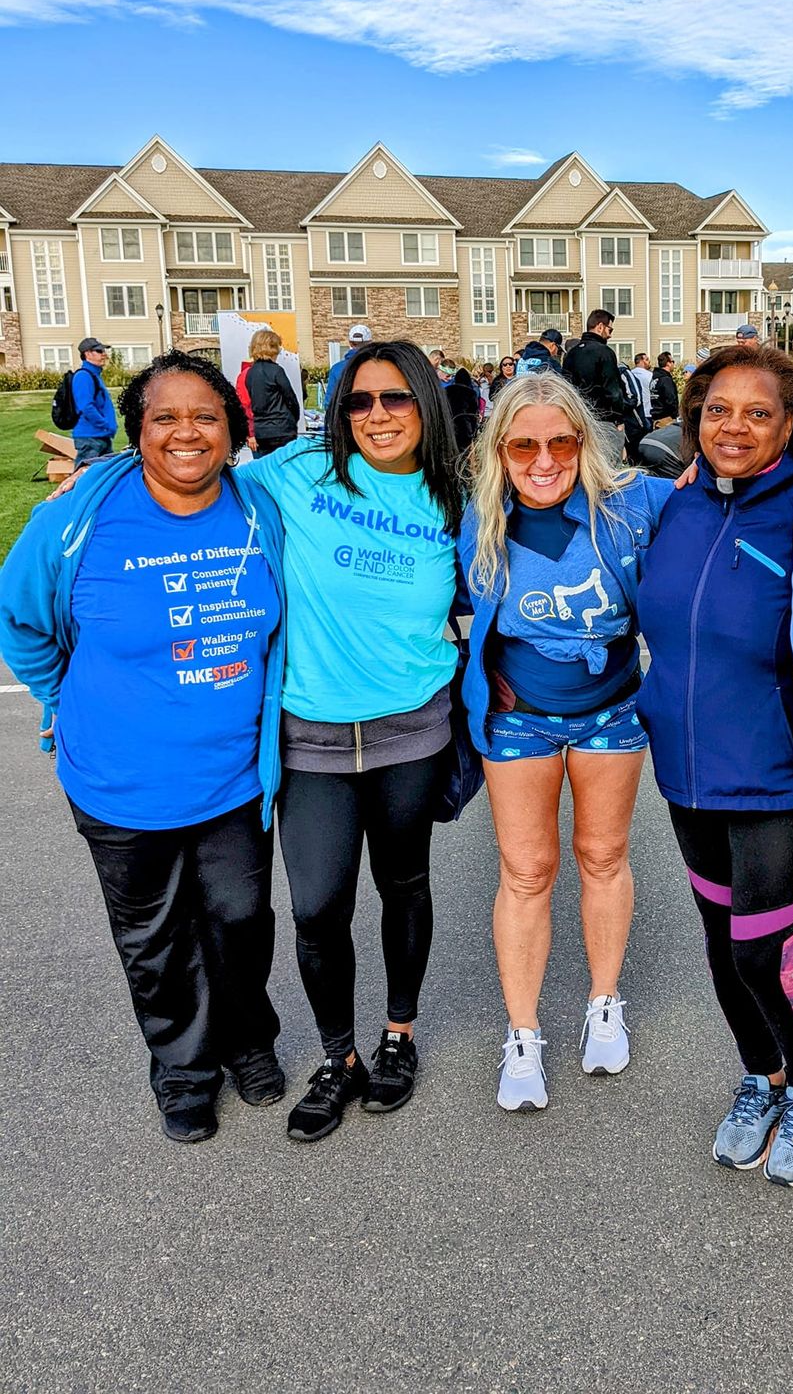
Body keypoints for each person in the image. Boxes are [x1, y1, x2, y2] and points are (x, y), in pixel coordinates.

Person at [0, 351, 287, 1144]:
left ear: (233, 429)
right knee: (156, 941)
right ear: (138, 433)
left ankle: (246, 1041)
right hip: (118, 781)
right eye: (166, 417)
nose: (187, 433)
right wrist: (63, 703)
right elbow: (22, 622)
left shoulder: (259, 507)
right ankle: (184, 1070)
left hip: (234, 777)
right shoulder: (76, 520)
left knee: (239, 918)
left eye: (206, 416)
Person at [238, 341, 466, 1142]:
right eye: (361, 401)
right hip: (312, 739)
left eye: (397, 399)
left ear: (425, 406)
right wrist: (87, 492)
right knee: (317, 908)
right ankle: (338, 1058)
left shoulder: (456, 496)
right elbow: (187, 478)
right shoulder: (299, 471)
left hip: (414, 731)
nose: (378, 415)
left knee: (405, 885)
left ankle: (397, 1035)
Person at [638, 346, 793, 1188]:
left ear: (790, 427)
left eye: (759, 413)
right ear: (693, 420)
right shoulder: (672, 504)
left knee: (767, 952)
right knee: (723, 948)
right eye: (718, 410)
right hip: (686, 772)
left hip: (780, 774)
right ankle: (764, 1075)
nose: (734, 427)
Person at [458, 374, 671, 1112]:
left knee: (604, 855)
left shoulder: (635, 505)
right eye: (523, 445)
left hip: (612, 710)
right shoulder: (478, 520)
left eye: (560, 441)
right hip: (519, 718)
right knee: (527, 870)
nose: (543, 460)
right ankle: (523, 1037)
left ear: (584, 442)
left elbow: (723, 500)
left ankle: (603, 1001)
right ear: (500, 451)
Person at [562, 308, 628, 465]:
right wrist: (619, 419)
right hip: (604, 420)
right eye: (609, 329)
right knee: (610, 466)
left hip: (578, 419)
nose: (610, 334)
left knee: (585, 465)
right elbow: (613, 389)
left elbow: (565, 387)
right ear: (600, 326)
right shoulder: (604, 352)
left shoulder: (572, 354)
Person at [244, 328, 301, 455]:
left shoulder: (250, 373)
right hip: (282, 428)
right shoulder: (276, 371)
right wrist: (293, 419)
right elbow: (290, 398)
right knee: (285, 466)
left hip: (261, 429)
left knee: (266, 468)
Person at [71, 337, 118, 462]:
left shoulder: (94, 375)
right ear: (87, 354)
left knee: (104, 477)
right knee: (83, 476)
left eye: (103, 351)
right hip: (90, 437)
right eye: (99, 351)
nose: (104, 355)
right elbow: (86, 406)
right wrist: (104, 424)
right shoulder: (83, 376)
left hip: (100, 435)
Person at [324, 324, 371, 405]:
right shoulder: (378, 366)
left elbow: (329, 402)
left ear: (350, 343)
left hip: (344, 414)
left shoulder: (336, 369)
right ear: (369, 343)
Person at [446, 364, 482, 452]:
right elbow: (473, 413)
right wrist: (473, 432)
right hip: (465, 426)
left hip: (449, 425)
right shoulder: (471, 393)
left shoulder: (447, 390)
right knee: (464, 453)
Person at [650, 351, 679, 423]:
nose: (673, 364)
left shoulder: (655, 378)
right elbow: (670, 400)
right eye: (673, 361)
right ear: (668, 363)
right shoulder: (666, 380)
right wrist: (675, 415)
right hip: (666, 418)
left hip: (655, 417)